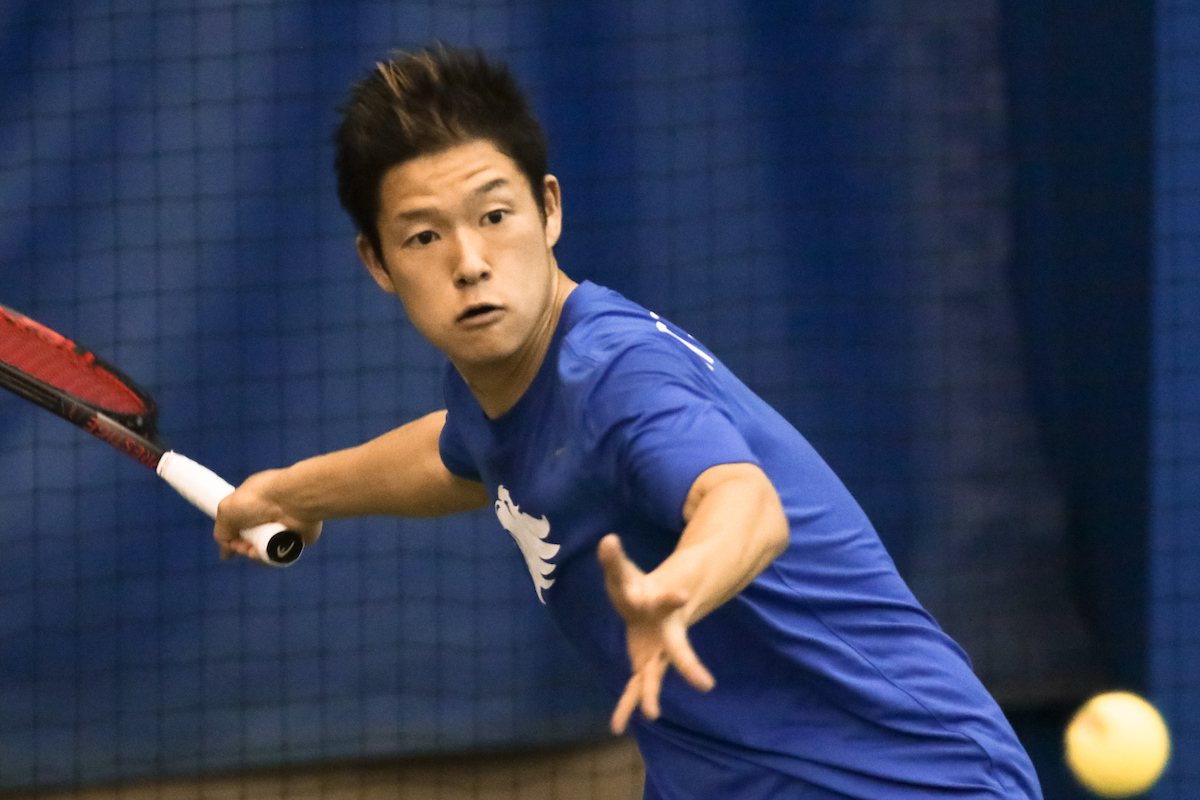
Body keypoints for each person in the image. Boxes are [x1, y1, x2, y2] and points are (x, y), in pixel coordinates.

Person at [214, 44, 1043, 799]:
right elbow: (456, 454)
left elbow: (746, 504)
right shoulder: (499, 381)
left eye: (495, 217)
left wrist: (679, 589)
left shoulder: (617, 379)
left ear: (548, 210)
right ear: (378, 262)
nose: (469, 263)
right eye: (425, 236)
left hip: (907, 780)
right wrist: (293, 493)